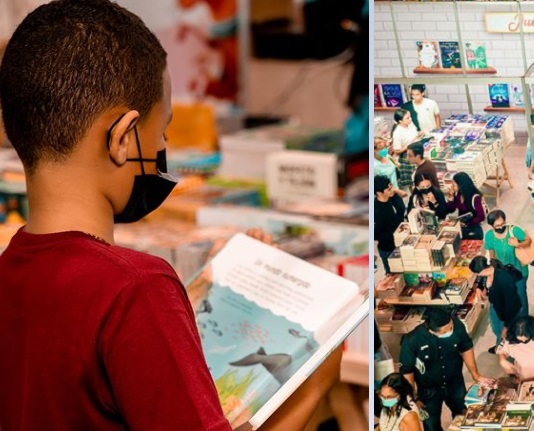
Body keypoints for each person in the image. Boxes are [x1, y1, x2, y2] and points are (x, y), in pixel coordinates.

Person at [0, 2, 342, 431]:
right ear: (123, 138)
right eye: (160, 132)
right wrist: (313, 385)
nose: (163, 147)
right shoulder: (137, 290)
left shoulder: (11, 269)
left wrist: (191, 301)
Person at [399, 307, 486, 431]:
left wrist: (475, 374)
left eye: (451, 326)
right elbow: (407, 371)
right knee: (431, 425)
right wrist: (413, 398)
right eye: (447, 330)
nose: (451, 329)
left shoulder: (457, 325)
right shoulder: (412, 340)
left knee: (465, 416)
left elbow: (466, 348)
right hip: (428, 391)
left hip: (455, 383)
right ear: (433, 330)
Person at [469, 256, 522, 354]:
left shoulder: (505, 279)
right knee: (497, 329)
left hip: (508, 312)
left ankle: (509, 352)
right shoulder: (486, 272)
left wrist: (506, 326)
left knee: (507, 333)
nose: (477, 275)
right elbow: (479, 280)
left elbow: (511, 306)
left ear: (484, 270)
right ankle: (500, 345)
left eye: (477, 273)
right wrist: (478, 288)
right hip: (496, 305)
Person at [484, 209, 531, 315]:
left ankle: (524, 322)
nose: (501, 227)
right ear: (492, 226)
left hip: (519, 271)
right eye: (497, 226)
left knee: (521, 297)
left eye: (502, 224)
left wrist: (518, 244)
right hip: (503, 273)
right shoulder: (489, 236)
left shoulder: (514, 231)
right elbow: (492, 254)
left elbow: (528, 241)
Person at [374, 175, 405, 275]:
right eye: (388, 189)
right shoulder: (376, 210)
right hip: (388, 248)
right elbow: (375, 234)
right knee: (392, 275)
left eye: (391, 187)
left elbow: (401, 209)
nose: (392, 190)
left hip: (401, 241)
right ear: (379, 192)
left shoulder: (392, 196)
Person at [444, 172, 486, 239]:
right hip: (461, 226)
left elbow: (481, 217)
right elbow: (450, 210)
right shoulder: (457, 194)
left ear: (461, 186)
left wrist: (467, 223)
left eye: (454, 185)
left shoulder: (474, 197)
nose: (452, 187)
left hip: (473, 227)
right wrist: (451, 198)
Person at [393, 109, 425, 190]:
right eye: (407, 118)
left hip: (418, 150)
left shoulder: (410, 124)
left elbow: (414, 134)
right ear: (400, 121)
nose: (410, 119)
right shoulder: (397, 133)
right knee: (413, 180)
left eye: (410, 116)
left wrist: (420, 133)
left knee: (422, 175)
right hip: (408, 155)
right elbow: (396, 150)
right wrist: (409, 145)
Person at [374, 119, 406, 198]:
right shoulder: (374, 167)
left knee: (401, 208)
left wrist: (395, 163)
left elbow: (389, 157)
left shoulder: (384, 154)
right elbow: (381, 185)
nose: (384, 151)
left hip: (395, 188)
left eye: (385, 148)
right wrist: (397, 191)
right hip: (386, 194)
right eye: (381, 150)